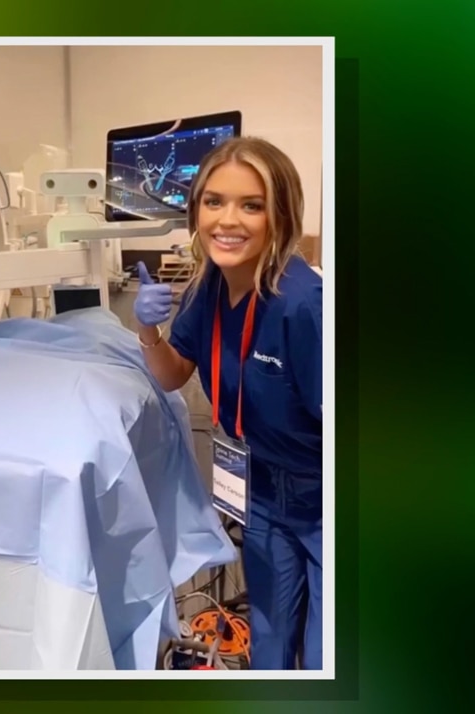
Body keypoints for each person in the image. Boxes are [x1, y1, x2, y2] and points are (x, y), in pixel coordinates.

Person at [133, 136, 322, 670]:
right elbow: (173, 376)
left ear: (279, 215)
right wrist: (147, 329)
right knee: (269, 647)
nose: (227, 220)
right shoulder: (206, 289)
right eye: (214, 201)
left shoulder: (304, 306)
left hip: (327, 499)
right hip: (262, 490)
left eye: (251, 205)